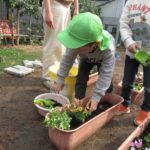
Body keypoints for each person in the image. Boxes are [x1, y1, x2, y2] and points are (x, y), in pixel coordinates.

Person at [53, 12, 116, 111]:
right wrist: (60, 79)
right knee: (81, 78)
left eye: (78, 48)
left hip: (102, 58)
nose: (74, 50)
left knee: (106, 82)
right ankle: (79, 102)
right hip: (86, 58)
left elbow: (106, 75)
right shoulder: (76, 45)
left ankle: (104, 101)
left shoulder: (109, 51)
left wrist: (96, 97)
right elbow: (67, 60)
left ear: (95, 44)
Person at [119, 0, 150, 125]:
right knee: (127, 81)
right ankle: (125, 104)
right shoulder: (131, 2)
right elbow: (124, 23)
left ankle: (146, 109)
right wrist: (128, 41)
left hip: (149, 53)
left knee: (149, 85)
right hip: (132, 49)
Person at [42, 0, 79, 88]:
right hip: (54, 5)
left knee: (63, 43)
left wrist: (76, 8)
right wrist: (48, 11)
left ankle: (56, 74)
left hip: (67, 7)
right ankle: (48, 77)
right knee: (53, 43)